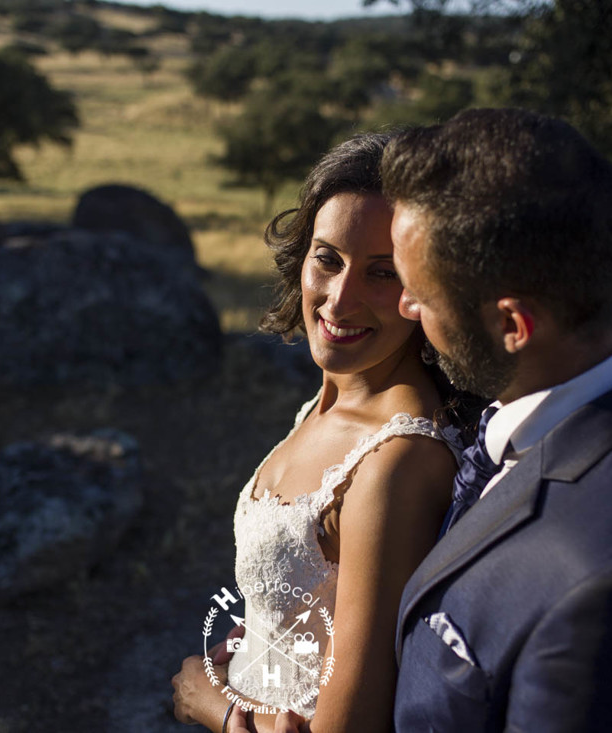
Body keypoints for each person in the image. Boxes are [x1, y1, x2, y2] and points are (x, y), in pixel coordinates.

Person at [242, 109, 612, 732]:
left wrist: (222, 712)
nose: (405, 307)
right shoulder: (605, 421)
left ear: (512, 326)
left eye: (418, 291)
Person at [170, 132, 482, 732]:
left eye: (382, 273)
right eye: (328, 258)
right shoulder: (334, 398)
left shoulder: (397, 462)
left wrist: (208, 704)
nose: (339, 300)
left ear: (428, 291)